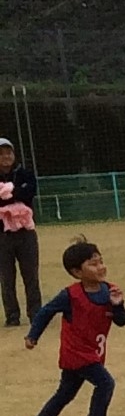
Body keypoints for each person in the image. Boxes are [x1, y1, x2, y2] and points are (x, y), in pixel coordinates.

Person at [21, 238, 125, 416]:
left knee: (65, 394)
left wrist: (118, 306)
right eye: (93, 264)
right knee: (105, 383)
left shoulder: (110, 291)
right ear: (77, 272)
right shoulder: (70, 295)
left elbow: (121, 321)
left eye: (101, 262)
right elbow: (46, 312)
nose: (100, 267)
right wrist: (33, 335)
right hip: (77, 354)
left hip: (93, 353)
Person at [0, 137, 40, 335]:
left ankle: (36, 314)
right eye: (1, 153)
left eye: (9, 152)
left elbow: (30, 192)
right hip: (2, 235)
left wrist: (10, 193)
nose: (5, 156)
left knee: (31, 275)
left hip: (26, 233)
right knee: (6, 277)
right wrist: (17, 193)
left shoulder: (25, 173)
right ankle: (12, 316)